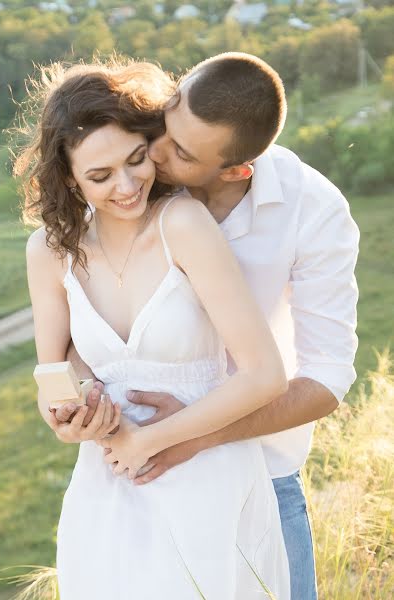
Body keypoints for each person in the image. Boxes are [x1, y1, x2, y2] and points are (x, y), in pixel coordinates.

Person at [64, 53, 360, 599]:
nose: (155, 153)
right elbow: (76, 322)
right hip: (133, 473)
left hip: (265, 479)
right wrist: (84, 396)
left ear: (234, 170)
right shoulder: (131, 183)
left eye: (180, 152)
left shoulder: (311, 209)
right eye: (166, 127)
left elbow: (327, 379)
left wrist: (201, 434)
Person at [19, 60, 291, 599]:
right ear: (68, 178)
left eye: (136, 159)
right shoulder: (49, 253)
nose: (126, 186)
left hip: (206, 478)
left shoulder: (182, 225)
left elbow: (265, 375)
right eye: (99, 176)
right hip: (108, 489)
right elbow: (52, 373)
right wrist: (67, 418)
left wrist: (151, 439)